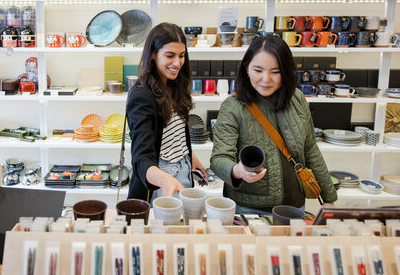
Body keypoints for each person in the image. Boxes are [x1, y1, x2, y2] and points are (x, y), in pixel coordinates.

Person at [210, 35, 337, 215]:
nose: (266, 79)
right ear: (246, 68)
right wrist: (237, 170)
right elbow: (218, 158)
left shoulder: (297, 99)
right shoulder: (233, 106)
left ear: (286, 72)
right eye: (258, 70)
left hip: (295, 206)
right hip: (249, 209)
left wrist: (328, 199)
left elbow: (310, 150)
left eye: (275, 72)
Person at [127, 22, 208, 202]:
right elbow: (141, 157)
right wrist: (164, 179)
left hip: (184, 168)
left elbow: (173, 133)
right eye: (170, 55)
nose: (177, 63)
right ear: (153, 55)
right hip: (161, 177)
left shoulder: (174, 85)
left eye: (182, 55)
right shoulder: (141, 95)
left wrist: (189, 155)